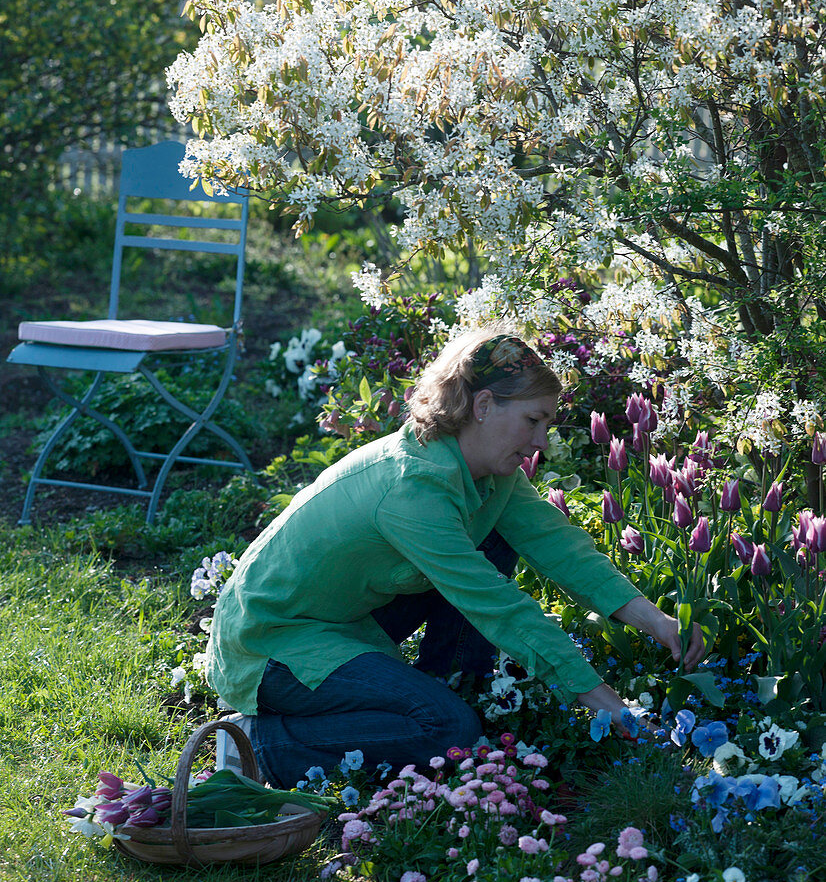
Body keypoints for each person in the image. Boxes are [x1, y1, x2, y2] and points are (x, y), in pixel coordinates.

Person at [207, 329, 704, 786]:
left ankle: (452, 692)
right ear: (483, 404)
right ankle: (254, 743)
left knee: (492, 538)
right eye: (534, 421)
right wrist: (608, 706)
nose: (541, 443)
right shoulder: (413, 487)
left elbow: (561, 546)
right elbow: (494, 604)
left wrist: (655, 621)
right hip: (273, 642)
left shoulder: (487, 471)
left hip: (343, 617)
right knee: (449, 730)